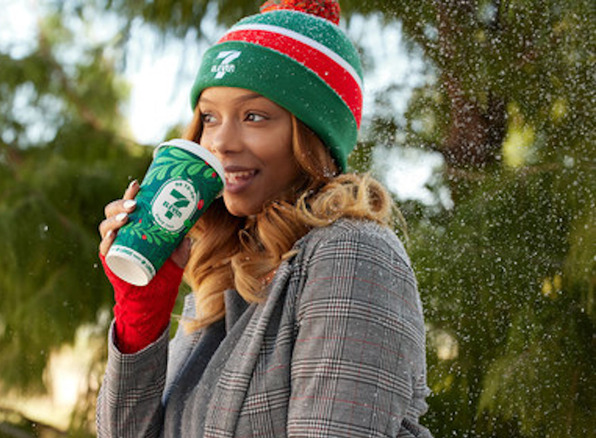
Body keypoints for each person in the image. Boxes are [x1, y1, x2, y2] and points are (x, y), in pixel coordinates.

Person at [95, 0, 432, 436]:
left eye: (254, 116)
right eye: (210, 117)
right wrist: (142, 310)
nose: (220, 141)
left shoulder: (351, 252)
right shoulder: (226, 278)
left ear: (311, 134)